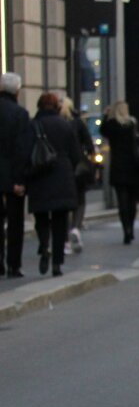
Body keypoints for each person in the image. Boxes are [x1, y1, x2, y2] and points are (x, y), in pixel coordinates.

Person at [16, 93, 82, 276]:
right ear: (57, 107)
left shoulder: (33, 125)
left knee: (42, 217)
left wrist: (22, 178)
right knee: (60, 221)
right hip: (62, 176)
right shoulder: (66, 125)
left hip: (39, 177)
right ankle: (57, 263)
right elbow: (76, 154)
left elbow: (24, 153)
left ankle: (44, 245)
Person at [99, 101, 139, 244]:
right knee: (132, 201)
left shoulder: (112, 125)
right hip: (133, 166)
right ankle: (131, 228)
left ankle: (125, 228)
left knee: (122, 201)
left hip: (118, 167)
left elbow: (102, 130)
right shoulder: (132, 124)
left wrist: (105, 115)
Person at [0, 71, 29, 277]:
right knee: (15, 222)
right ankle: (13, 264)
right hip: (12, 175)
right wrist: (19, 180)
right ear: (17, 90)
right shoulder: (20, 114)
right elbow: (21, 149)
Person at [60, 98, 94, 255]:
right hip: (78, 166)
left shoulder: (57, 121)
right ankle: (75, 227)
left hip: (60, 168)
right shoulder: (77, 122)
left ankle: (66, 239)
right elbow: (89, 144)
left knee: (64, 203)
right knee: (80, 200)